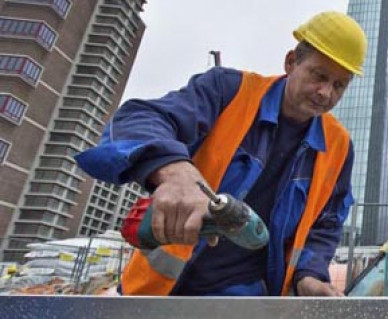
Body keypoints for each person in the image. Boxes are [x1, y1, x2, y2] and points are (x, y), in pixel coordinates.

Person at [75, 11, 367, 297]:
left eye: (339, 85)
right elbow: (138, 119)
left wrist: (310, 275)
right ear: (291, 62)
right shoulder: (228, 91)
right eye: (319, 76)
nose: (325, 93)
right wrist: (176, 173)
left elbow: (326, 223)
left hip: (244, 297)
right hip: (155, 291)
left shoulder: (338, 145)